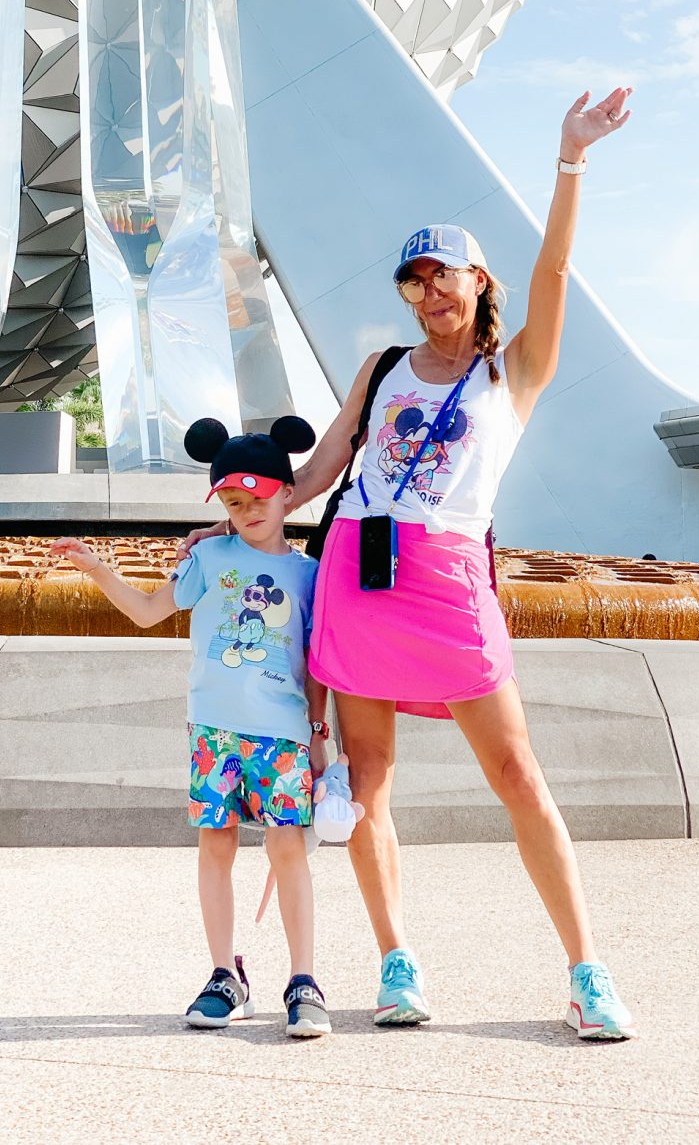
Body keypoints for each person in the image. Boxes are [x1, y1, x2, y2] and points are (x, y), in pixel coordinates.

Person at [179, 88, 638, 1041]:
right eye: (414, 279)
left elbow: (554, 268)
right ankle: (396, 963)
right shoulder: (384, 368)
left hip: (448, 580)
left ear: (477, 283)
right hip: (357, 576)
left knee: (515, 770)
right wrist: (238, 518)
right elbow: (317, 473)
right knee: (369, 775)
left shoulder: (511, 372)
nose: (430, 292)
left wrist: (570, 160)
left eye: (445, 276)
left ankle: (585, 972)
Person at [51, 416, 334, 1039]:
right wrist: (100, 569)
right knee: (217, 846)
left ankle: (304, 980)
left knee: (289, 848)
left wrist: (319, 735)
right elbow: (152, 611)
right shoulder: (208, 556)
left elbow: (317, 663)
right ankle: (223, 975)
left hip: (282, 734)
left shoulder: (311, 573)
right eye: (233, 502)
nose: (246, 510)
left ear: (287, 492)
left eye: (257, 498)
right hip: (213, 732)